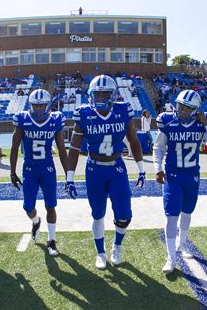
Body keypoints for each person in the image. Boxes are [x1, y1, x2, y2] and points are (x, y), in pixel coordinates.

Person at [65, 74, 146, 269]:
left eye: (104, 94)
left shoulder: (123, 110)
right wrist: (69, 178)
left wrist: (141, 169)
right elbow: (74, 149)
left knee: (124, 215)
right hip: (94, 170)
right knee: (98, 214)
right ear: (90, 96)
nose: (100, 99)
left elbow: (133, 141)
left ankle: (116, 246)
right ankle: (100, 252)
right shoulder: (83, 114)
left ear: (113, 95)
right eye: (97, 94)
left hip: (117, 168)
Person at [153, 90, 207, 274]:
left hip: (192, 175)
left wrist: (206, 125)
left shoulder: (202, 123)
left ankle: (181, 244)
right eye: (180, 106)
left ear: (195, 110)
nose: (181, 110)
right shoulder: (168, 121)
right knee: (171, 215)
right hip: (173, 176)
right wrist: (157, 168)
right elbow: (158, 148)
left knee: (187, 212)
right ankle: (171, 257)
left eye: (186, 108)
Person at [10, 89, 68, 256]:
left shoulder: (55, 121)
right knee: (28, 206)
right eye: (36, 106)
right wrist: (12, 172)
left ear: (48, 106)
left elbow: (62, 151)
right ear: (31, 105)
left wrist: (68, 176)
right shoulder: (23, 120)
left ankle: (51, 241)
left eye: (42, 105)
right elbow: (14, 148)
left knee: (51, 205)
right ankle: (36, 221)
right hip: (29, 169)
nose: (40, 109)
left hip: (48, 168)